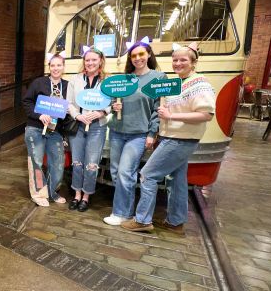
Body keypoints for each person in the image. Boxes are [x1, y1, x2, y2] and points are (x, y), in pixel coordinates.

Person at [121, 42, 215, 234]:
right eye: (175, 60)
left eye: (183, 60)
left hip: (180, 140)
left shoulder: (200, 84)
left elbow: (206, 114)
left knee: (148, 174)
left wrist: (171, 116)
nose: (178, 63)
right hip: (171, 137)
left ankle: (142, 220)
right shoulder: (178, 82)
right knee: (177, 180)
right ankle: (176, 221)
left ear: (193, 62)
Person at [103, 41, 165, 226]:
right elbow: (113, 103)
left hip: (138, 134)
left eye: (141, 54)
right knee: (116, 172)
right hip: (116, 131)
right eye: (134, 55)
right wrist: (114, 106)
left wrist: (152, 133)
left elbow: (158, 108)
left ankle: (120, 213)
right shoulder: (125, 78)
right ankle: (127, 211)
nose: (138, 58)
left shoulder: (158, 77)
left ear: (148, 55)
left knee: (125, 172)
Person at [66, 47, 110, 211]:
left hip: (97, 127)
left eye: (93, 60)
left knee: (91, 164)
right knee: (77, 163)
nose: (90, 63)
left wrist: (100, 112)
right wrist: (78, 116)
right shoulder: (75, 79)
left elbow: (112, 103)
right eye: (87, 60)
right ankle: (77, 194)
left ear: (100, 61)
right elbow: (69, 102)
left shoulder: (107, 81)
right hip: (78, 125)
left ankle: (86, 196)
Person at [22, 54, 69, 206]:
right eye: (52, 65)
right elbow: (27, 101)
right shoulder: (39, 83)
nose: (55, 68)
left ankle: (52, 192)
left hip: (55, 131)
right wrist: (39, 114)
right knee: (36, 162)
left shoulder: (68, 86)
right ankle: (39, 194)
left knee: (57, 162)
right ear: (49, 67)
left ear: (63, 67)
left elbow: (70, 109)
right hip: (35, 128)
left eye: (59, 65)